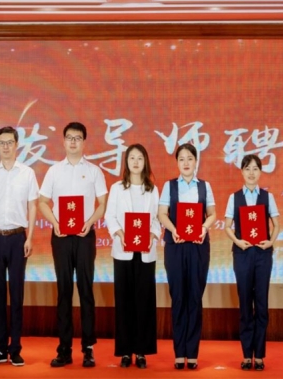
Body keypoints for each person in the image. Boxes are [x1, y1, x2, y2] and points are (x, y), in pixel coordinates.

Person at [38, 122, 108, 368]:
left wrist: (89, 222)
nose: (73, 142)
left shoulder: (94, 171)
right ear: (64, 141)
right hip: (61, 236)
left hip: (85, 236)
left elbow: (103, 203)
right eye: (69, 137)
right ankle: (64, 348)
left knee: (86, 290)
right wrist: (54, 222)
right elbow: (42, 202)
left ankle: (88, 348)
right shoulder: (54, 171)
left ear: (84, 142)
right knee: (64, 291)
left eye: (78, 138)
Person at [0, 126, 39, 367]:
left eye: (9, 142)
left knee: (16, 293)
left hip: (17, 238)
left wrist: (30, 237)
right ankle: (0, 348)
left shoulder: (27, 173)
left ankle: (16, 349)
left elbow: (33, 206)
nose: (5, 146)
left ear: (16, 144)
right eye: (1, 143)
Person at [157, 143, 216, 370]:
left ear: (196, 161)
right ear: (177, 163)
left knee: (194, 297)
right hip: (176, 246)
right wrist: (173, 229)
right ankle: (179, 353)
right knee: (178, 297)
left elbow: (212, 214)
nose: (186, 163)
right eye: (181, 159)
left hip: (198, 246)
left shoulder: (205, 186)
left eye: (190, 158)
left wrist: (203, 228)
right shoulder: (169, 186)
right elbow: (162, 214)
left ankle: (192, 353)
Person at [104, 144, 161, 369]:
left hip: (145, 253)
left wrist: (152, 235)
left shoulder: (152, 189)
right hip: (123, 251)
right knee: (124, 301)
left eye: (140, 158)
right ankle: (126, 351)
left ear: (145, 162)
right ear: (126, 162)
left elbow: (156, 219)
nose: (136, 162)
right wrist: (120, 234)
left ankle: (142, 350)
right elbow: (110, 216)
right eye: (132, 158)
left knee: (144, 301)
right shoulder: (117, 188)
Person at [224, 155, 280, 371]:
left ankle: (260, 356)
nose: (251, 173)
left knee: (262, 304)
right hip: (243, 254)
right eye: (247, 168)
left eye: (255, 169)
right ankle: (247, 355)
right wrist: (238, 241)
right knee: (246, 303)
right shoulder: (234, 197)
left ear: (260, 172)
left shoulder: (267, 196)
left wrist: (270, 242)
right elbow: (227, 225)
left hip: (263, 254)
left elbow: (276, 224)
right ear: (242, 171)